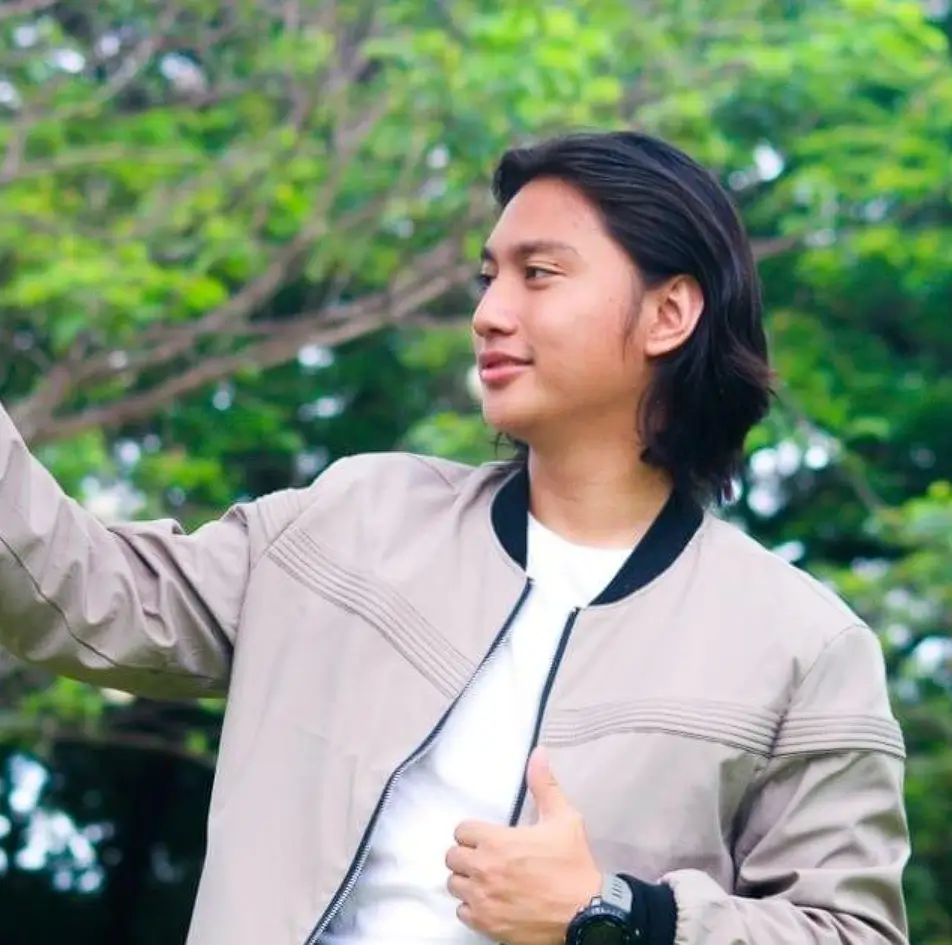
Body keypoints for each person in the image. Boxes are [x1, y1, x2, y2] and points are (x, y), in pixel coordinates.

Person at [0, 130, 909, 945]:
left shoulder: (803, 647)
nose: (489, 312)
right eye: (489, 276)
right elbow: (80, 590)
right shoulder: (354, 517)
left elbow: (852, 931)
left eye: (538, 273)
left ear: (669, 314)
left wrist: (621, 918)